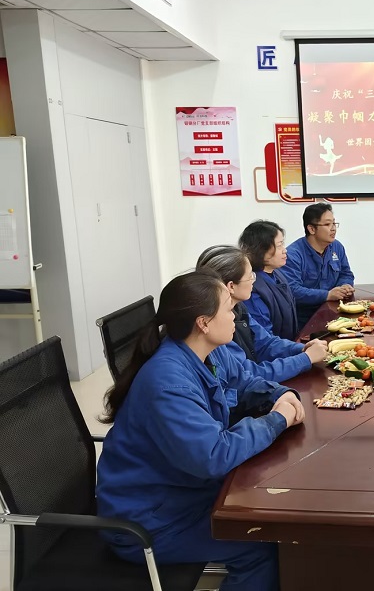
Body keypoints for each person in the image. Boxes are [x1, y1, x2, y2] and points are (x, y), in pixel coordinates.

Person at [96, 270, 305, 591]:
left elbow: (245, 381)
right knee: (262, 545)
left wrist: (279, 394)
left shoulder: (207, 350)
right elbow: (213, 456)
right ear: (203, 323)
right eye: (228, 308)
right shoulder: (168, 382)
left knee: (274, 512)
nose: (235, 315)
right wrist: (276, 420)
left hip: (183, 493)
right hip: (151, 522)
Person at [196, 245, 328, 384]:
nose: (254, 280)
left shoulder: (239, 307)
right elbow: (248, 374)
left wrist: (302, 349)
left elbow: (265, 343)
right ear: (231, 286)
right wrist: (305, 359)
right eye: (250, 276)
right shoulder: (215, 326)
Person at [283, 203, 355, 330]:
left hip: (335, 313)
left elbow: (346, 273)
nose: (333, 228)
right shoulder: (293, 255)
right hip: (305, 320)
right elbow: (292, 291)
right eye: (327, 224)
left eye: (334, 223)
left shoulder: (337, 247)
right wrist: (327, 295)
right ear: (311, 229)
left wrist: (344, 286)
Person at [238, 220, 299, 341]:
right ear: (261, 250)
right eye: (279, 245)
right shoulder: (252, 287)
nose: (285, 250)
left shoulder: (277, 273)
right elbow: (264, 337)